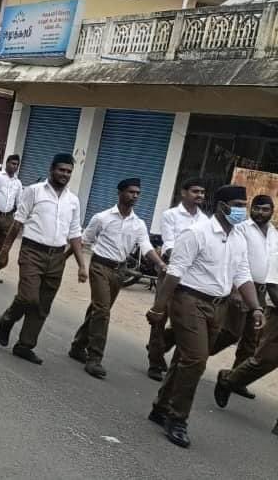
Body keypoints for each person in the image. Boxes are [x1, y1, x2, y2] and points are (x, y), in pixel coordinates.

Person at [147, 185, 261, 449]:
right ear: (221, 206)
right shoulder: (197, 233)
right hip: (189, 301)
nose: (242, 211)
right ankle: (177, 419)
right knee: (197, 360)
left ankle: (161, 407)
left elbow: (242, 275)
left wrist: (255, 307)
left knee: (185, 358)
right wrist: (158, 308)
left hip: (217, 306)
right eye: (237, 205)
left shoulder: (238, 239)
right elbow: (175, 272)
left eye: (244, 205)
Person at [0, 153, 87, 365]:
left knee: (43, 305)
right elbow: (18, 222)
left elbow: (75, 233)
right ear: (51, 170)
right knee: (29, 297)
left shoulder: (73, 200)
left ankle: (25, 345)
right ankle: (8, 318)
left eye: (68, 172)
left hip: (57, 257)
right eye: (61, 170)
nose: (65, 174)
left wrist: (82, 265)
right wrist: (4, 251)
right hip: (32, 252)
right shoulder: (34, 191)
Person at [70, 178, 165, 379]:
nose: (135, 196)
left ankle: (78, 345)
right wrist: (74, 263)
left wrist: (160, 264)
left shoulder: (138, 224)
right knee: (103, 311)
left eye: (138, 193)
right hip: (100, 266)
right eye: (131, 192)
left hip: (120, 271)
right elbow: (83, 240)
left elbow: (146, 246)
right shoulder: (102, 218)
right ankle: (94, 358)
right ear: (120, 193)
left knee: (99, 309)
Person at [213, 195, 278, 417]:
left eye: (265, 209)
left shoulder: (274, 234)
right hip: (245, 288)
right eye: (257, 208)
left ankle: (235, 380)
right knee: (233, 335)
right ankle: (199, 354)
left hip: (262, 291)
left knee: (251, 340)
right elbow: (237, 259)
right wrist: (236, 290)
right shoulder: (242, 229)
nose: (260, 212)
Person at [147, 179, 207, 381]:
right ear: (184, 192)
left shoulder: (205, 221)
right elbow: (169, 242)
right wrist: (182, 258)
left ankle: (161, 346)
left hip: (192, 278)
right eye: (195, 191)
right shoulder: (170, 215)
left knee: (183, 318)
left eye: (202, 192)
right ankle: (155, 361)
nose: (199, 195)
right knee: (160, 315)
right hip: (171, 270)